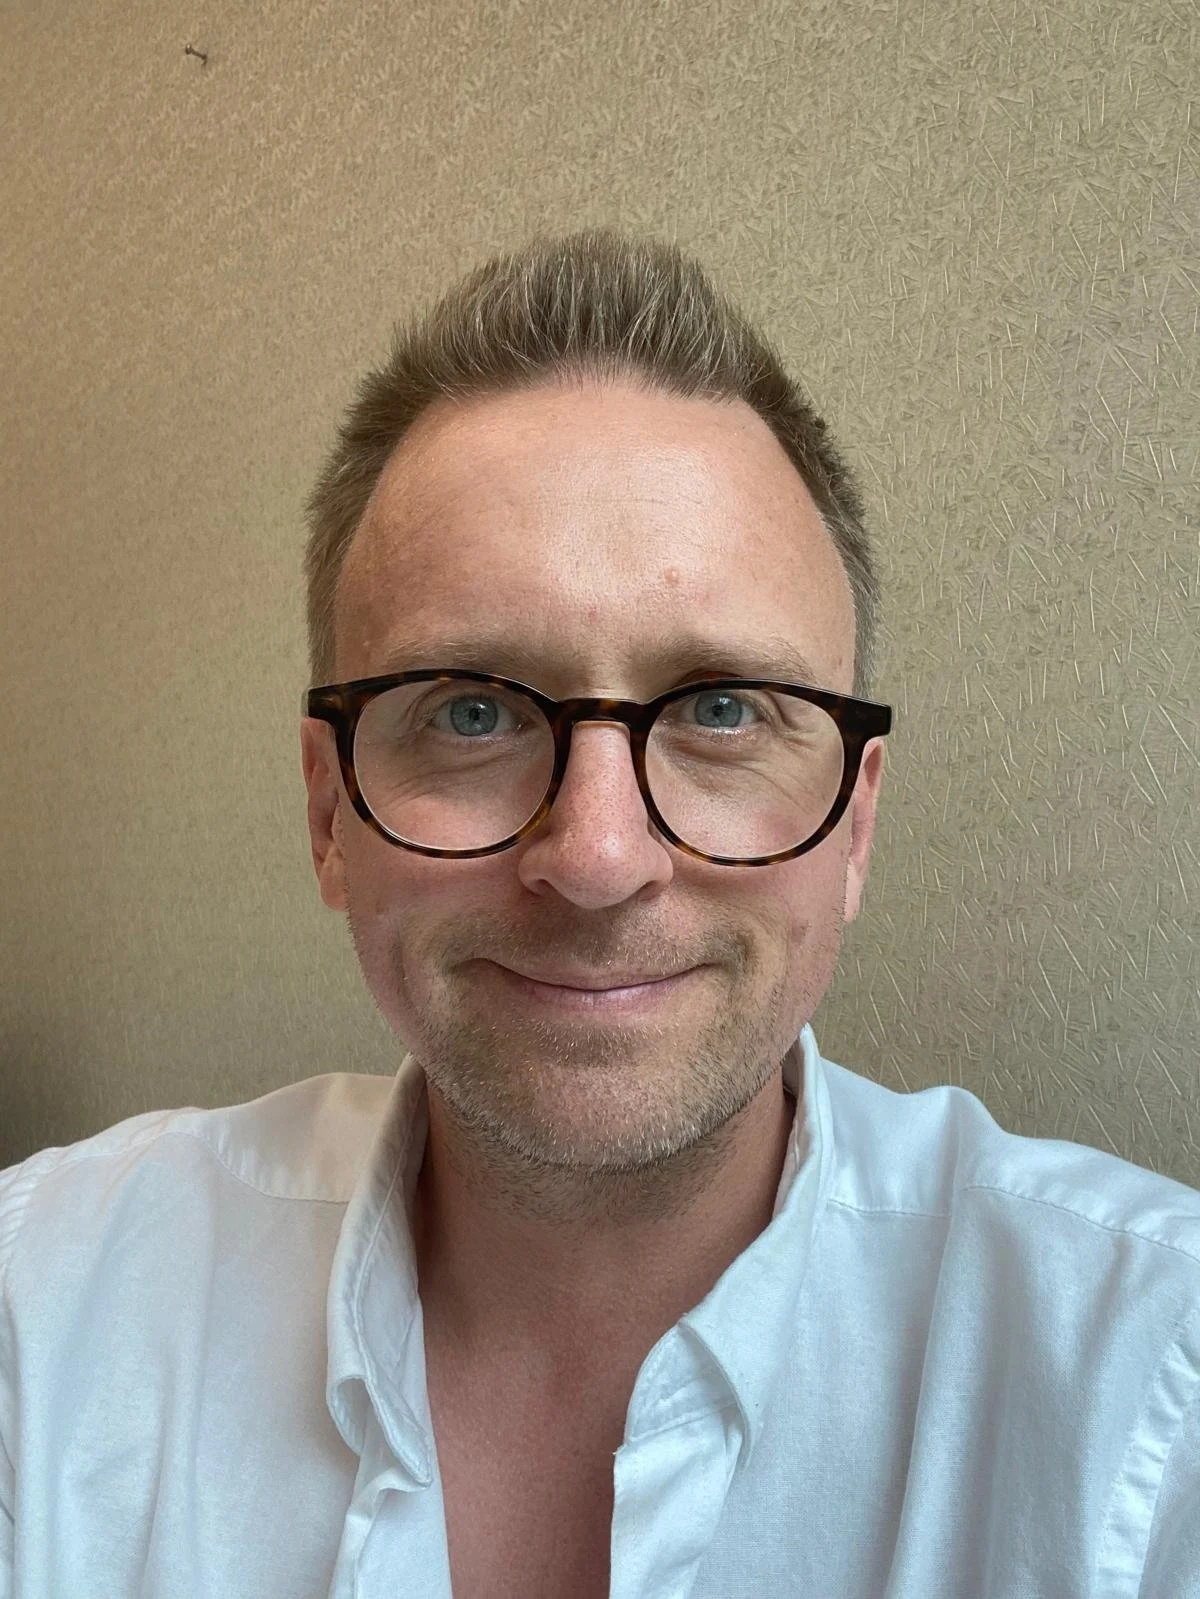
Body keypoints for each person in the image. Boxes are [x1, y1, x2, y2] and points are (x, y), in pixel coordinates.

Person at [2, 231, 1198, 1599]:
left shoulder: (1149, 1398)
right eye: (472, 710)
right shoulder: (40, 1321)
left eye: (722, 709)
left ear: (855, 825)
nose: (599, 854)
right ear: (330, 812)